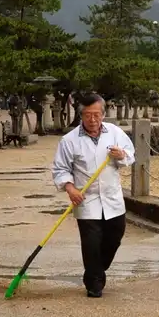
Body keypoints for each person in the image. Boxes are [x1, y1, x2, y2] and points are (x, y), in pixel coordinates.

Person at [51, 93, 135, 297]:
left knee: (114, 237)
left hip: (112, 197)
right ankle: (94, 283)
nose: (92, 119)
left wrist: (121, 155)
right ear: (81, 115)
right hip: (86, 199)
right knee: (91, 243)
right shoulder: (69, 140)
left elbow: (130, 155)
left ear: (103, 114)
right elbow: (61, 169)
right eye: (87, 115)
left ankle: (96, 269)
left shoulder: (114, 132)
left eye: (96, 115)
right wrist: (70, 188)